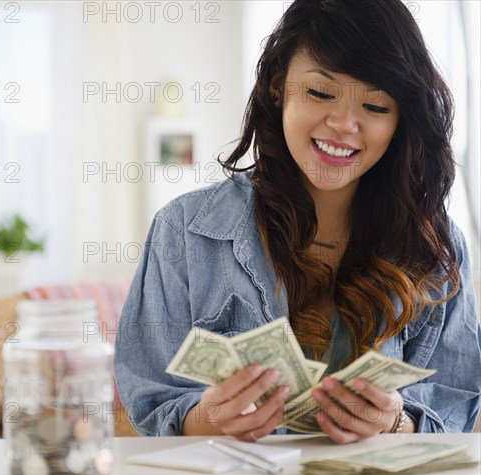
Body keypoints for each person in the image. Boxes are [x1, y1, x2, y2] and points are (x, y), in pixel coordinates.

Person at [114, 0, 481, 444]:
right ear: (276, 87)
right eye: (320, 93)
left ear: (402, 118)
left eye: (376, 105)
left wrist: (395, 423)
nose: (344, 124)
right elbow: (151, 399)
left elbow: (456, 404)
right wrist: (211, 418)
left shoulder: (436, 246)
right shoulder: (183, 231)